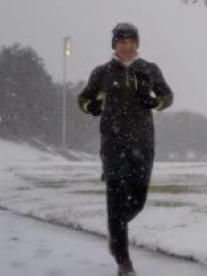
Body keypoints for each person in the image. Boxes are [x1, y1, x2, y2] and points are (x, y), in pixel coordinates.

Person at [78, 22, 174, 276]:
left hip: (143, 143)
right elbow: (84, 98)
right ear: (114, 45)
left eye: (131, 42)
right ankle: (123, 261)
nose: (127, 46)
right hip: (113, 144)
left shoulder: (149, 69)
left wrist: (155, 101)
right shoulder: (103, 72)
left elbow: (168, 97)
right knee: (116, 197)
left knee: (137, 201)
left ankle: (115, 230)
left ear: (137, 44)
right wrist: (92, 107)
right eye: (122, 42)